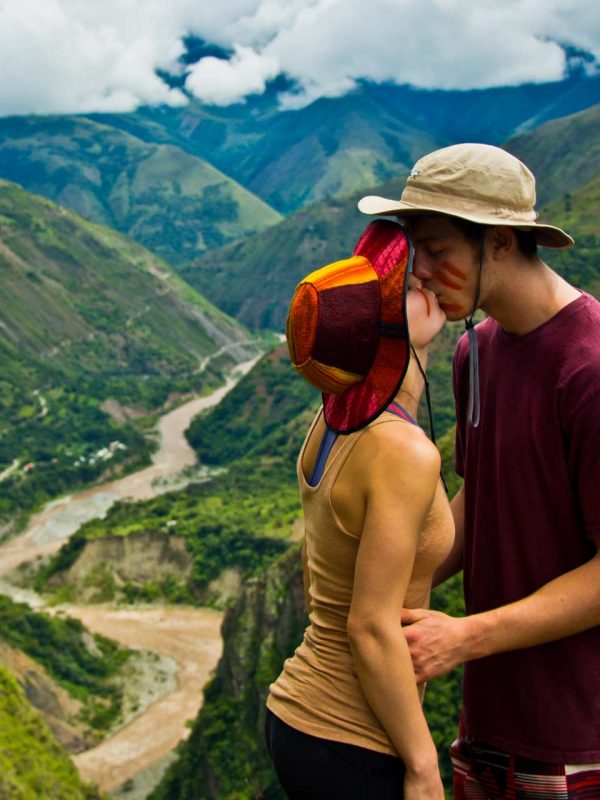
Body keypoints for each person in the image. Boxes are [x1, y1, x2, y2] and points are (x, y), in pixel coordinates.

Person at [359, 143, 600, 798]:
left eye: (438, 250)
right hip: (488, 723)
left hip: (576, 740)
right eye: (416, 252)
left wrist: (466, 636)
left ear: (498, 242)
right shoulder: (476, 351)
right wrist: (387, 586)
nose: (422, 273)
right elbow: (484, 498)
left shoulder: (590, 366)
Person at [265, 219, 453, 799]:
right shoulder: (402, 452)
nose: (422, 279)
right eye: (404, 293)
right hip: (353, 741)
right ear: (386, 336)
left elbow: (325, 569)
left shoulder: (331, 421)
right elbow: (369, 626)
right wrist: (422, 766)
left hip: (300, 718)